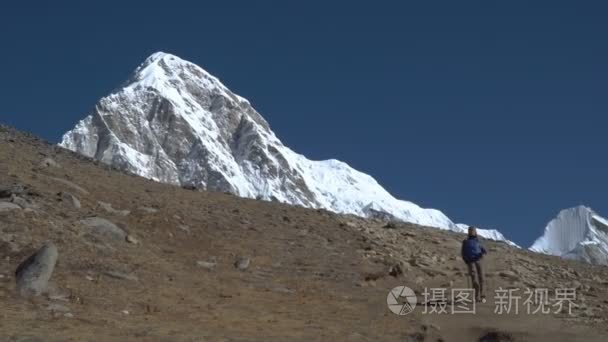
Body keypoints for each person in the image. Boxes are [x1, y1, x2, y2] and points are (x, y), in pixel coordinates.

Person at [461, 226, 487, 302]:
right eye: (470, 231)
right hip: (472, 261)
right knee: (476, 277)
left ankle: (481, 296)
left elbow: (484, 251)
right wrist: (465, 259)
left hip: (475, 260)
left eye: (472, 231)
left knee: (479, 277)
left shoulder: (476, 241)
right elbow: (463, 252)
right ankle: (478, 296)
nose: (471, 232)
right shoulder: (467, 241)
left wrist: (482, 254)